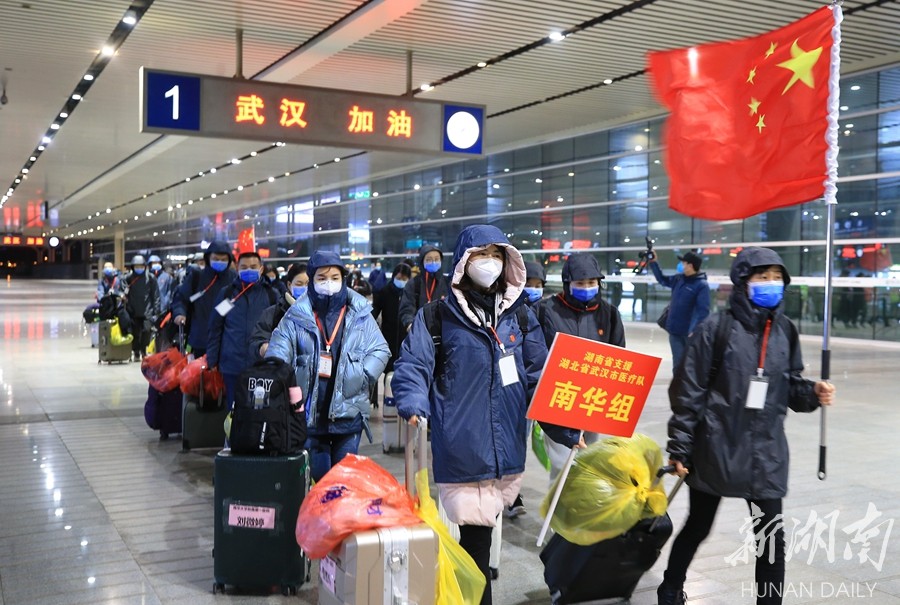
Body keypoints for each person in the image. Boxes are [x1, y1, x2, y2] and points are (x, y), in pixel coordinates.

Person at [393, 225, 582, 605]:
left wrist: (564, 427)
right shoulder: (437, 317)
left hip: (506, 448)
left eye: (497, 255)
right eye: (482, 255)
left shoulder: (520, 317)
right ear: (464, 262)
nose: (490, 263)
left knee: (479, 540)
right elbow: (413, 365)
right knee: (477, 541)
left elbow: (538, 379)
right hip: (463, 446)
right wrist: (412, 403)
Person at [657, 247, 836, 605]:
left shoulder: (785, 330)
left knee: (771, 540)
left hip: (765, 452)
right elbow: (688, 390)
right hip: (715, 447)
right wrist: (680, 447)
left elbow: (789, 387)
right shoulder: (716, 328)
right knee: (698, 526)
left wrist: (813, 392)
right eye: (762, 276)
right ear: (743, 282)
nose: (771, 283)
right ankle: (671, 587)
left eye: (776, 278)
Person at [266, 251, 389, 482]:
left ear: (343, 278)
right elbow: (277, 352)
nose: (328, 282)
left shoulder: (360, 313)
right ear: (312, 279)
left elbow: (380, 349)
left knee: (344, 482)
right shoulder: (296, 315)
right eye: (321, 278)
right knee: (319, 480)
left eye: (334, 277)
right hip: (310, 416)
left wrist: (361, 375)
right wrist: (288, 380)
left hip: (349, 413)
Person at [535, 253, 626, 481]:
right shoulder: (546, 310)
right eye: (580, 283)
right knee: (562, 465)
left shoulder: (609, 314)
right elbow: (536, 353)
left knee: (588, 461)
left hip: (592, 400)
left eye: (591, 282)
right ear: (568, 283)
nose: (586, 288)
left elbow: (619, 356)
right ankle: (559, 503)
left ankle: (580, 502)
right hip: (559, 399)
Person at [207, 252, 277, 409]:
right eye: (244, 267)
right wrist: (212, 359)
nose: (248, 270)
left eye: (253, 267)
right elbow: (216, 326)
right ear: (237, 269)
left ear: (261, 269)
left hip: (261, 365)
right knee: (234, 409)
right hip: (232, 364)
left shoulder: (271, 294)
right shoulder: (227, 294)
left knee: (259, 409)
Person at [171, 241, 237, 357]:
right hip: (200, 338)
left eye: (223, 259)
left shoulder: (234, 279)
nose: (219, 262)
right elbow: (181, 298)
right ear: (208, 258)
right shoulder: (197, 277)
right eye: (216, 259)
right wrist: (179, 313)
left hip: (228, 339)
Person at [650, 250, 710, 369]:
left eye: (683, 263)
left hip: (689, 333)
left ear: (690, 266)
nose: (681, 265)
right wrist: (654, 262)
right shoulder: (679, 279)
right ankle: (677, 381)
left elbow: (703, 311)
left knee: (689, 364)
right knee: (677, 363)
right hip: (674, 331)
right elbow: (662, 279)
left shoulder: (701, 285)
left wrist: (695, 330)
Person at [251, 262, 309, 359]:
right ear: (289, 285)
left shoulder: (321, 312)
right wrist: (264, 348)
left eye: (308, 284)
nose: (304, 288)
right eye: (299, 284)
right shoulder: (273, 313)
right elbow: (257, 341)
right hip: (281, 365)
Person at [398, 244, 450, 333]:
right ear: (422, 261)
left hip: (445, 332)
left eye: (437, 259)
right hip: (420, 331)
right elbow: (407, 308)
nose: (433, 262)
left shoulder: (448, 282)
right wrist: (410, 325)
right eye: (429, 259)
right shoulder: (414, 283)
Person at [372, 263, 412, 375]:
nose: (401, 281)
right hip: (388, 335)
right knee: (388, 369)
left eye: (404, 279)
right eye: (399, 278)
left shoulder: (411, 293)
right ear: (394, 276)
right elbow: (375, 309)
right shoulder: (385, 292)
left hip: (405, 336)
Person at [122, 254, 161, 362]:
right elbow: (123, 290)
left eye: (141, 266)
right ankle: (136, 351)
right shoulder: (128, 278)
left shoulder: (151, 278)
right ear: (133, 267)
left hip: (147, 310)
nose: (139, 268)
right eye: (137, 266)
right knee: (135, 333)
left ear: (145, 266)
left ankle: (144, 350)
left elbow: (156, 295)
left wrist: (156, 311)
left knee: (147, 331)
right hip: (133, 310)